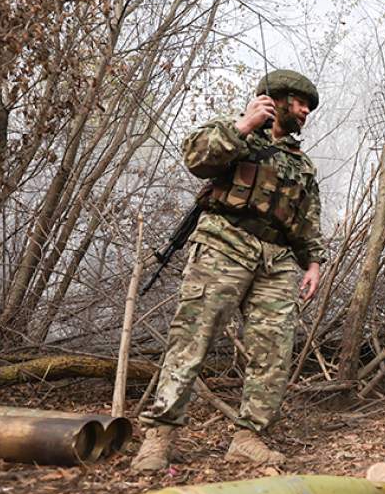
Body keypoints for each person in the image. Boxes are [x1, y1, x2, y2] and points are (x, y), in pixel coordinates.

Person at [131, 70, 326, 471]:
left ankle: (248, 438)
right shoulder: (235, 131)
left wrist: (314, 263)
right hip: (224, 243)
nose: (306, 111)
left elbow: (308, 219)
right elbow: (196, 158)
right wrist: (243, 125)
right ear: (278, 99)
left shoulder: (300, 164)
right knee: (192, 340)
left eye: (308, 106)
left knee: (273, 350)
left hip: (276, 259)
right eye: (301, 102)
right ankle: (159, 437)